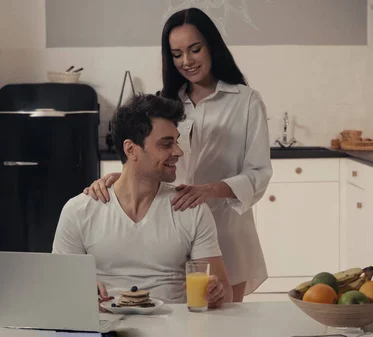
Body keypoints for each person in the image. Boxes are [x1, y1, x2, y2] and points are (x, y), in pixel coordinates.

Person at [84, 7, 273, 302]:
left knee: (224, 321)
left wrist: (209, 190)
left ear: (212, 46)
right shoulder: (166, 102)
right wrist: (118, 179)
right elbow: (147, 157)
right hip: (169, 231)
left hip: (226, 232)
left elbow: (259, 173)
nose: (186, 61)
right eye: (176, 54)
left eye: (195, 49)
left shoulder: (246, 101)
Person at [52, 93, 232, 308]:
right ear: (131, 149)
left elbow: (224, 291)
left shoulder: (191, 208)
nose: (178, 151)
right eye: (166, 144)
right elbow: (59, 289)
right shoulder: (79, 210)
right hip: (106, 325)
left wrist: (215, 293)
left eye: (176, 142)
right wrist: (80, 292)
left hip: (174, 326)